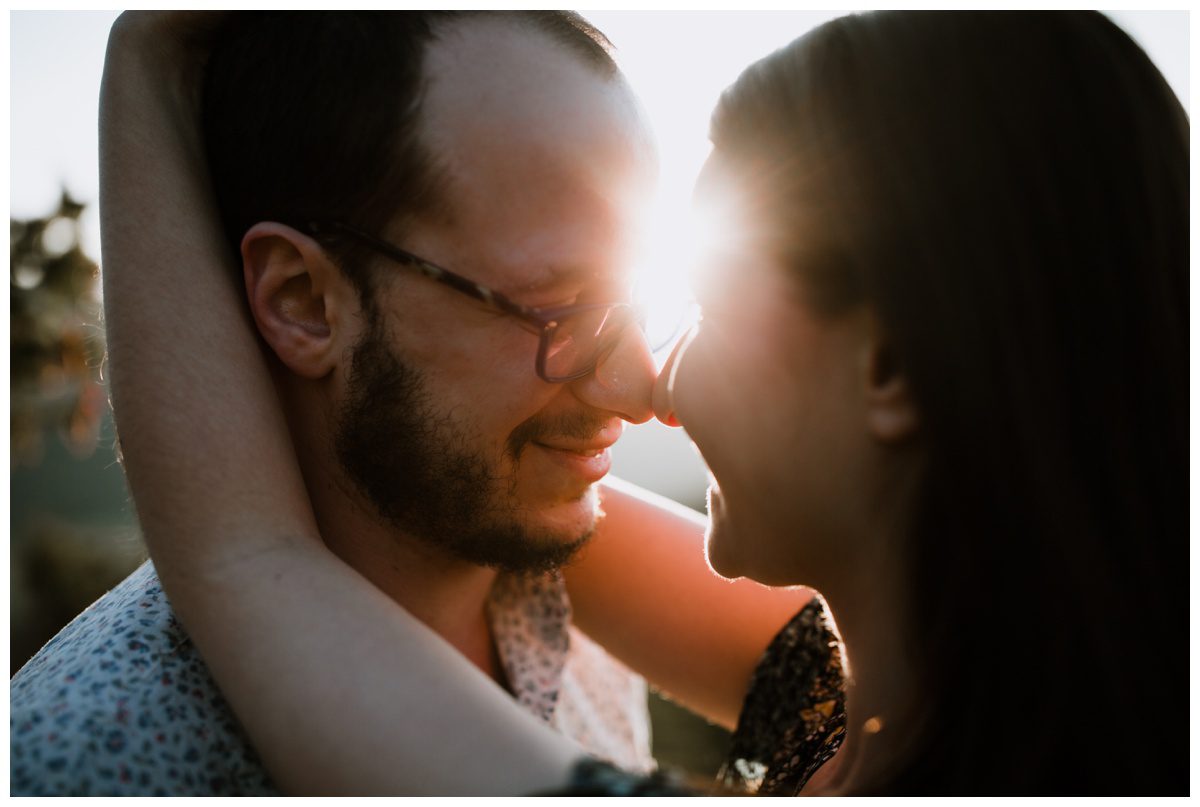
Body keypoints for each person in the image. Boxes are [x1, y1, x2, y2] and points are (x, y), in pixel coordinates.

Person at [28, 8, 1191, 796]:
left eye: (711, 294)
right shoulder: (991, 697)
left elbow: (250, 558)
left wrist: (150, 52)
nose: (641, 379)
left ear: (890, 370)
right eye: (562, 305)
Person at [9, 12, 813, 796]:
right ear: (305, 301)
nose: (639, 387)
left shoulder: (571, 603)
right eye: (564, 312)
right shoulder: (90, 767)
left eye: (641, 298)